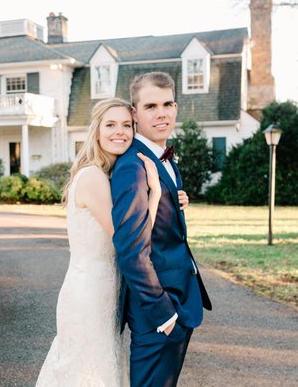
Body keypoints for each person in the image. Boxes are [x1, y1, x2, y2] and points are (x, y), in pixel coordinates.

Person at [36, 98, 189, 386]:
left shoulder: (107, 175)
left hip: (107, 292)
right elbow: (129, 237)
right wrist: (156, 194)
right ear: (96, 131)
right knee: (87, 374)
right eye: (110, 125)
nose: (119, 132)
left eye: (126, 125)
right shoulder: (93, 177)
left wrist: (173, 197)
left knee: (103, 371)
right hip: (90, 295)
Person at [111, 72, 212, 387]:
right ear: (134, 112)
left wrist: (176, 199)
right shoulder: (133, 167)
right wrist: (164, 313)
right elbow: (131, 250)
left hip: (181, 294)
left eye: (167, 104)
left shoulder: (165, 160)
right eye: (151, 105)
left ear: (177, 107)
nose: (161, 113)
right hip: (156, 309)